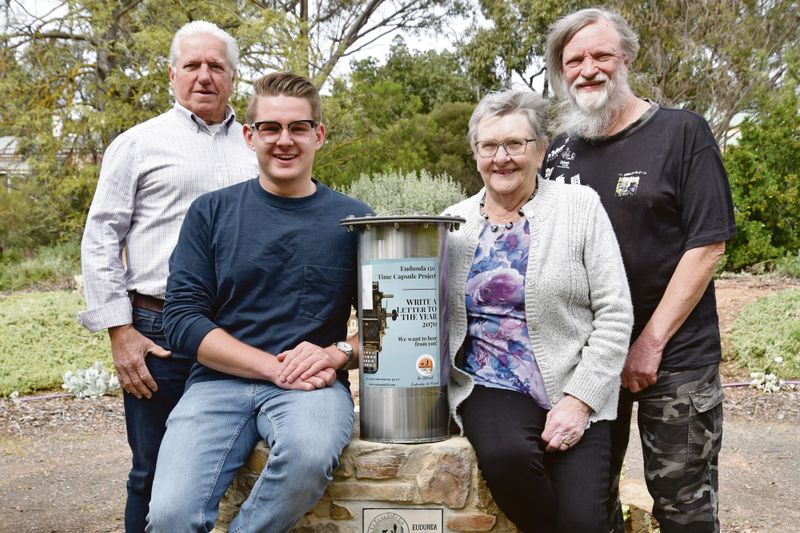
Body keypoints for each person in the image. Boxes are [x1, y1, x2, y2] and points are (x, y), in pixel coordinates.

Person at [145, 72, 371, 533]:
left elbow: (386, 324)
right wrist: (271, 367)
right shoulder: (210, 213)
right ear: (250, 136)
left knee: (308, 457)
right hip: (216, 385)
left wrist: (335, 354)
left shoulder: (354, 221)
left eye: (298, 128)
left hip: (312, 388)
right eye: (270, 128)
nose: (283, 141)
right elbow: (182, 321)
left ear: (318, 135)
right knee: (170, 516)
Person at [541, 8, 737, 533]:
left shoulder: (681, 132)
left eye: (601, 55)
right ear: (562, 71)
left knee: (682, 507)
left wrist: (648, 343)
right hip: (588, 365)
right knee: (589, 503)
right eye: (574, 59)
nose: (589, 68)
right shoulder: (559, 151)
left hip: (673, 359)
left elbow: (708, 245)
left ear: (625, 57)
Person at [77, 21, 256, 532]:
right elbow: (100, 238)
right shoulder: (138, 145)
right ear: (172, 74)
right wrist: (120, 331)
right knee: (152, 471)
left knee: (234, 466)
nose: (204, 76)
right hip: (156, 334)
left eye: (216, 66)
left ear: (233, 76)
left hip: (242, 329)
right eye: (193, 65)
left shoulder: (256, 147)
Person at [442, 89, 633, 532]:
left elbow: (615, 311)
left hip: (574, 381)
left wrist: (580, 400)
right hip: (490, 383)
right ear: (475, 154)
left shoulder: (579, 207)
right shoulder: (452, 222)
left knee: (585, 519)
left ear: (542, 150)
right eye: (488, 146)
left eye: (516, 144)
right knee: (508, 458)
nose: (501, 157)